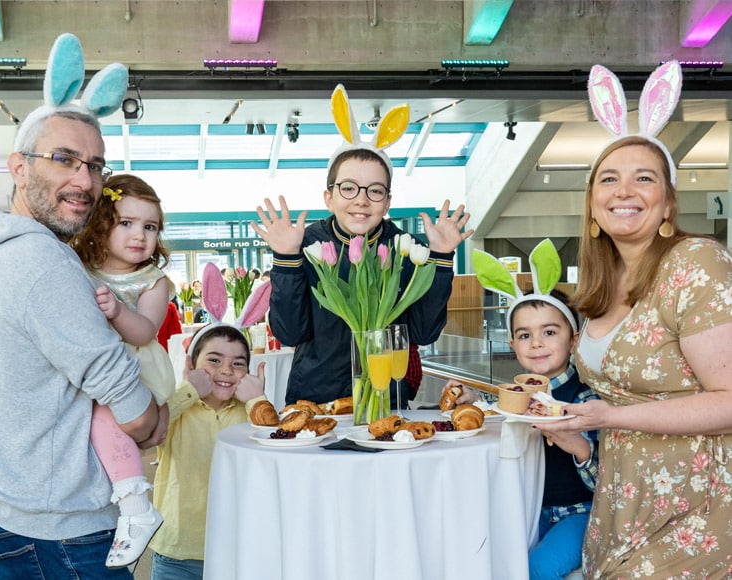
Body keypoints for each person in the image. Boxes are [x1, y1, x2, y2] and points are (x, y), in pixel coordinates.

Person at [0, 33, 165, 579]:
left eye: (95, 165)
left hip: (8, 508)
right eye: (64, 159)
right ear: (18, 167)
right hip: (61, 530)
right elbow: (129, 409)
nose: (83, 180)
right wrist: (156, 415)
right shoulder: (42, 262)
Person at [543, 61, 732, 577]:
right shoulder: (602, 285)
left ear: (667, 203)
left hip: (701, 505)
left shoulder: (696, 263)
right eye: (609, 179)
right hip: (623, 502)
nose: (624, 191)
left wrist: (608, 416)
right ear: (593, 207)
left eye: (643, 178)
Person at [252, 84, 473, 406]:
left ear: (387, 202)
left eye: (375, 191)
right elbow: (289, 334)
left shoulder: (404, 248)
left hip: (385, 399)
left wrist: (440, 259)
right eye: (349, 188)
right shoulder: (306, 244)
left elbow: (424, 334)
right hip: (315, 400)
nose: (361, 201)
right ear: (329, 197)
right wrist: (285, 258)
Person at [446, 249, 599, 579]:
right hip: (528, 509)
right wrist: (474, 403)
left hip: (580, 514)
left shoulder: (585, 398)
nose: (537, 344)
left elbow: (608, 480)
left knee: (537, 570)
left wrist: (578, 447)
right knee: (482, 554)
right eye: (525, 335)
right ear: (513, 345)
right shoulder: (513, 397)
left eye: (549, 332)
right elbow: (496, 415)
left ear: (573, 341)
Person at [71, 173, 177, 568]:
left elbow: (146, 330)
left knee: (102, 416)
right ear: (102, 224)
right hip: (101, 366)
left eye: (150, 227)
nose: (140, 235)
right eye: (127, 223)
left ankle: (136, 505)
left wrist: (117, 311)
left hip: (138, 367)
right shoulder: (80, 266)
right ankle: (120, 517)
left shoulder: (152, 281)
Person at [149, 324, 267, 579]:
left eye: (238, 363)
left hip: (239, 549)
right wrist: (189, 389)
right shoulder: (174, 406)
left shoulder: (249, 412)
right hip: (178, 553)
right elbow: (149, 429)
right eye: (214, 360)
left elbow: (277, 450)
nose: (225, 370)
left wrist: (258, 401)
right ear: (191, 364)